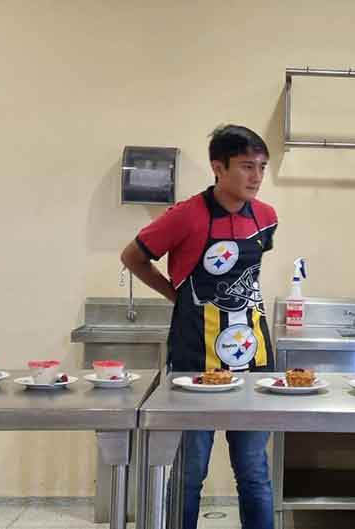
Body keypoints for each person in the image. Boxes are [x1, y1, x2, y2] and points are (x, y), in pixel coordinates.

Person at [120, 124, 276, 529]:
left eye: (262, 166)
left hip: (252, 359)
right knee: (190, 473)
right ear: (218, 168)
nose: (256, 176)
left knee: (254, 472)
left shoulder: (266, 217)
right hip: (194, 362)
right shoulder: (185, 216)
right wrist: (176, 296)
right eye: (246, 166)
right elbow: (133, 257)